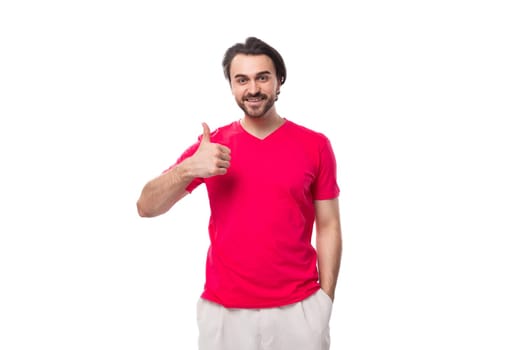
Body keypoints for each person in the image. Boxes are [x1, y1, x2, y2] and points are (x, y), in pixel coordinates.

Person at [136, 36, 342, 350]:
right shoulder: (212, 147)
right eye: (242, 80)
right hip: (224, 314)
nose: (253, 89)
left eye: (263, 77)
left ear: (279, 81)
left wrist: (324, 300)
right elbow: (146, 206)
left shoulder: (315, 145)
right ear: (231, 86)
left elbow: (328, 225)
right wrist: (189, 168)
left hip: (299, 311)